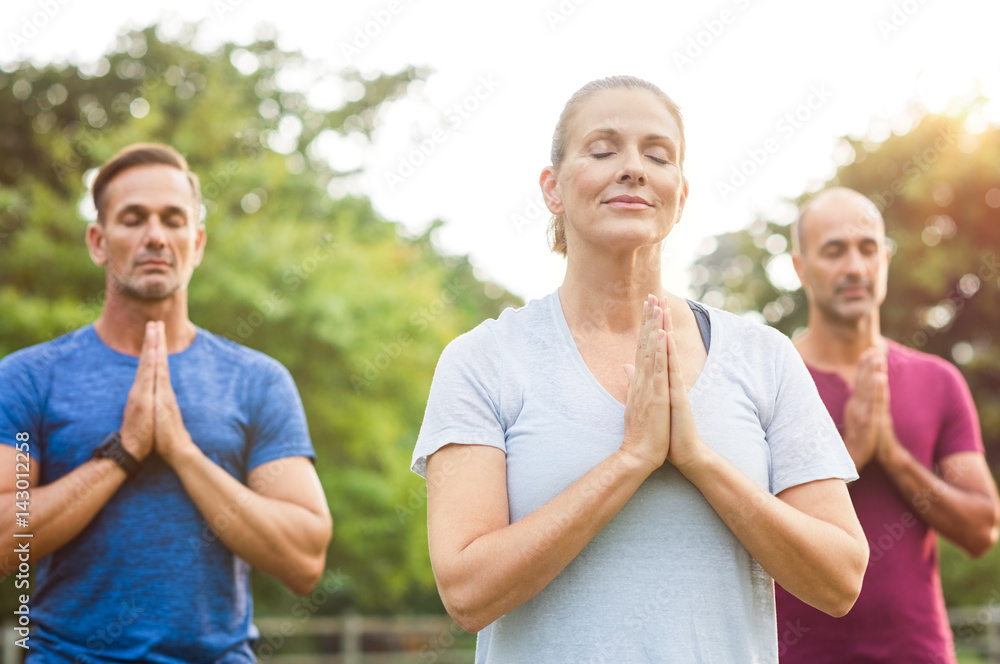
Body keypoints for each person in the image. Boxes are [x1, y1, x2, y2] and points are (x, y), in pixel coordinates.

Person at [411, 76, 868, 663]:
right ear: (553, 188)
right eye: (602, 151)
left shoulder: (764, 357)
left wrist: (699, 460)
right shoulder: (483, 360)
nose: (632, 168)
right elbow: (468, 592)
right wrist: (630, 460)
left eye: (657, 155)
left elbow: (840, 579)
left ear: (680, 195)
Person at [0, 143, 333, 663]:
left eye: (173, 219)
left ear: (196, 242)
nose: (155, 235)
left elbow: (305, 558)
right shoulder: (27, 378)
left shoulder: (258, 382)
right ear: (98, 241)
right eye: (133, 218)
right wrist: (123, 452)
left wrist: (182, 452)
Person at [775, 187, 1000, 663]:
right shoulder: (768, 379)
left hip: (916, 651)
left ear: (886, 259)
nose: (855, 267)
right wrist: (850, 455)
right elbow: (742, 516)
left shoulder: (937, 380)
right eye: (834, 250)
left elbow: (983, 528)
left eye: (867, 248)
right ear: (800, 268)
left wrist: (895, 458)